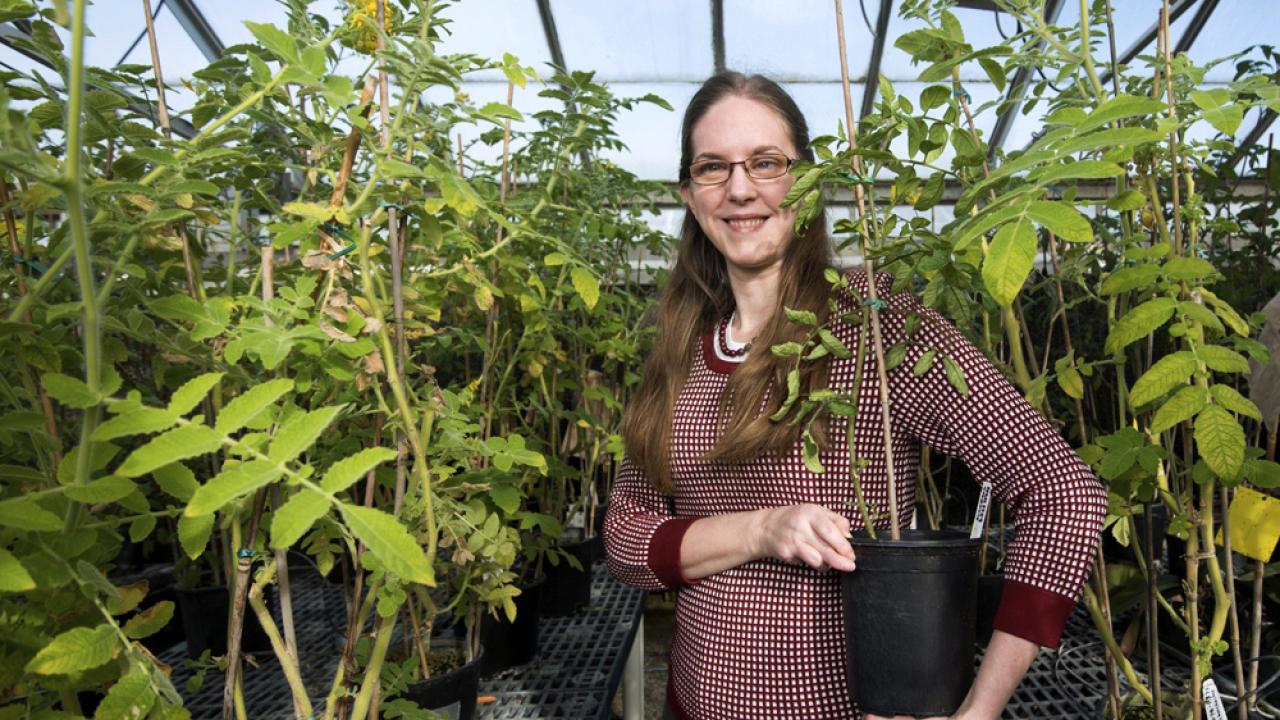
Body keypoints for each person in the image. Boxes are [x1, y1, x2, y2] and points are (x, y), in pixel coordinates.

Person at [601, 71, 1107, 720]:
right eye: (712, 167)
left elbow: (1064, 493)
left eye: (766, 163)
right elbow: (623, 535)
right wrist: (762, 530)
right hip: (689, 703)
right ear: (688, 193)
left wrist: (978, 709)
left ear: (807, 183)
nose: (739, 188)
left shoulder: (873, 324)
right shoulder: (681, 350)